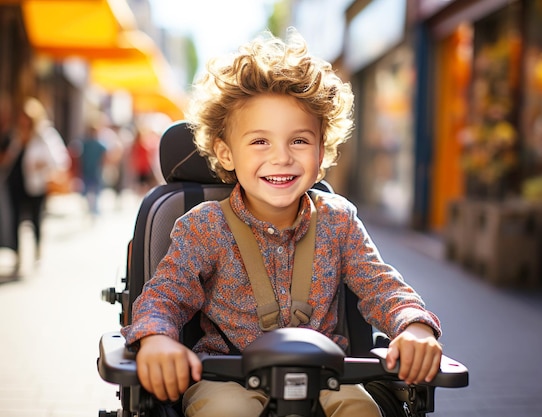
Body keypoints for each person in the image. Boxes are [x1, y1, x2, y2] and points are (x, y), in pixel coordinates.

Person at [121, 28, 442, 417]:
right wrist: (156, 339)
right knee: (226, 411)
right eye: (260, 142)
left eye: (299, 141)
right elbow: (164, 297)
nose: (281, 158)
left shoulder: (338, 221)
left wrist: (414, 327)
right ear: (225, 152)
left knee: (361, 409)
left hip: (326, 378)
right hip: (227, 377)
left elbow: (382, 287)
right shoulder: (203, 226)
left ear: (322, 150)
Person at [0, 97, 70, 266]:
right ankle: (17, 254)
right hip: (16, 183)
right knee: (15, 219)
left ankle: (37, 252)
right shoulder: (17, 135)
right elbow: (11, 159)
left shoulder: (45, 134)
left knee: (35, 219)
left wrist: (43, 165)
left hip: (36, 184)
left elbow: (60, 158)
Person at [75, 123, 108, 215]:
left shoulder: (92, 144)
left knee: (94, 190)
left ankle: (94, 209)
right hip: (88, 170)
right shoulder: (87, 144)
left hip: (94, 170)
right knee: (90, 189)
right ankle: (92, 209)